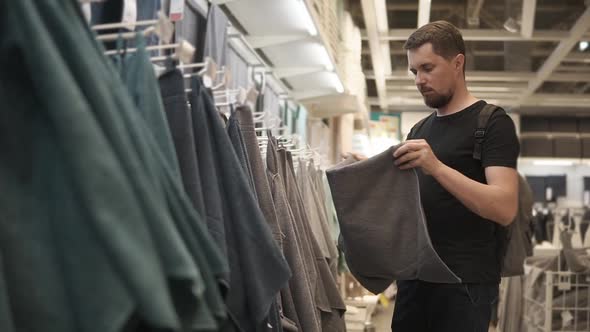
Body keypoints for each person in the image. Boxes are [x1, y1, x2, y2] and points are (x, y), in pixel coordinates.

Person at [390, 21, 520, 332]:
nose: (420, 80)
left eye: (427, 68)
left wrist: (435, 167)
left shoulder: (492, 123)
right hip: (414, 279)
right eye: (414, 72)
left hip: (465, 285)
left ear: (457, 63)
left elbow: (504, 208)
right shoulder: (419, 131)